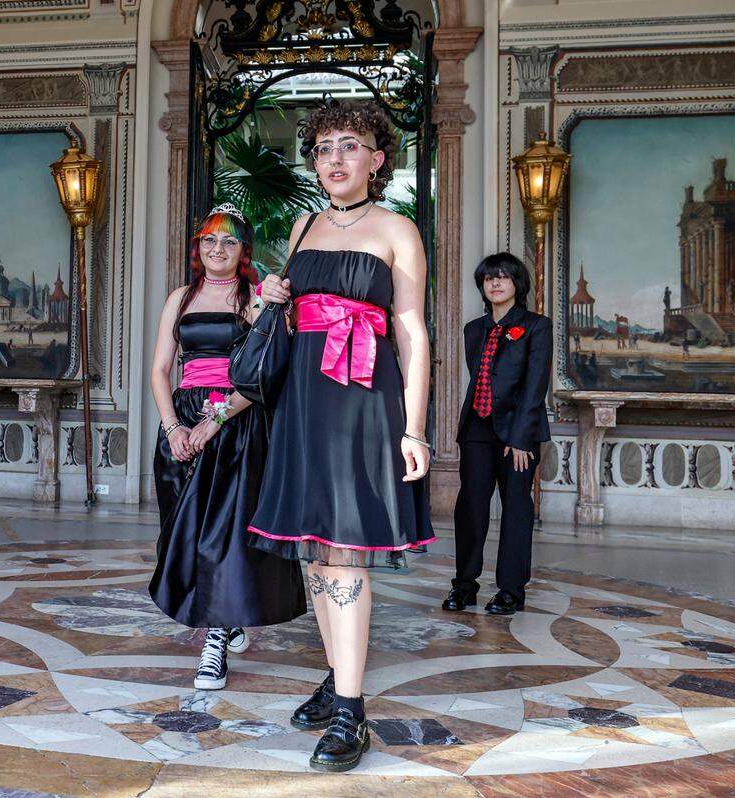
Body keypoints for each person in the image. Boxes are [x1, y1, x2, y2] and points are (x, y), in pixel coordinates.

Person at [250, 100, 433, 772]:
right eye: (324, 146)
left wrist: (414, 429)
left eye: (350, 145)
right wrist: (274, 294)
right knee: (313, 550)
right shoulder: (302, 225)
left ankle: (352, 713)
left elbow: (412, 330)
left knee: (345, 553)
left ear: (378, 158)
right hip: (303, 401)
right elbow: (288, 318)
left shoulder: (398, 229)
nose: (334, 158)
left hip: (363, 403)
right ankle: (336, 676)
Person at [149, 203, 305, 692]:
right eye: (209, 239)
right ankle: (228, 616)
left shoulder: (256, 298)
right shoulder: (180, 297)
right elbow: (159, 369)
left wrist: (215, 420)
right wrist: (174, 427)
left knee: (223, 537)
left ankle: (213, 645)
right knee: (187, 535)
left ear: (243, 251)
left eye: (229, 241)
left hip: (235, 421)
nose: (217, 248)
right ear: (198, 246)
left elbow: (263, 372)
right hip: (182, 423)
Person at [443, 253, 551, 616]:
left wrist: (521, 438)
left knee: (517, 509)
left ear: (517, 284)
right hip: (477, 427)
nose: (495, 283)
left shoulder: (537, 326)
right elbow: (481, 378)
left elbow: (535, 386)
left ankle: (510, 591)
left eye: (503, 277)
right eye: (489, 278)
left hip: (518, 433)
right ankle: (464, 586)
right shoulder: (474, 329)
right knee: (470, 508)